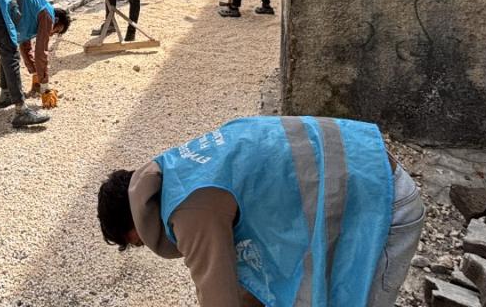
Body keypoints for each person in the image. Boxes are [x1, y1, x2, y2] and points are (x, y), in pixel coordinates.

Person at [96, 116, 423, 307]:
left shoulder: (189, 208)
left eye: (136, 242)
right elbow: (246, 282)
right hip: (360, 176)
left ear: (136, 222)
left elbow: (219, 299)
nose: (145, 246)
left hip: (384, 203)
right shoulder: (184, 169)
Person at [0, 0, 72, 127]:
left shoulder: (32, 13)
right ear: (56, 20)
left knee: (6, 50)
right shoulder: (47, 14)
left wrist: (36, 75)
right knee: (10, 54)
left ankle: (6, 95)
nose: (52, 33)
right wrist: (45, 87)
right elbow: (41, 52)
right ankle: (21, 111)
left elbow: (25, 47)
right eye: (56, 30)